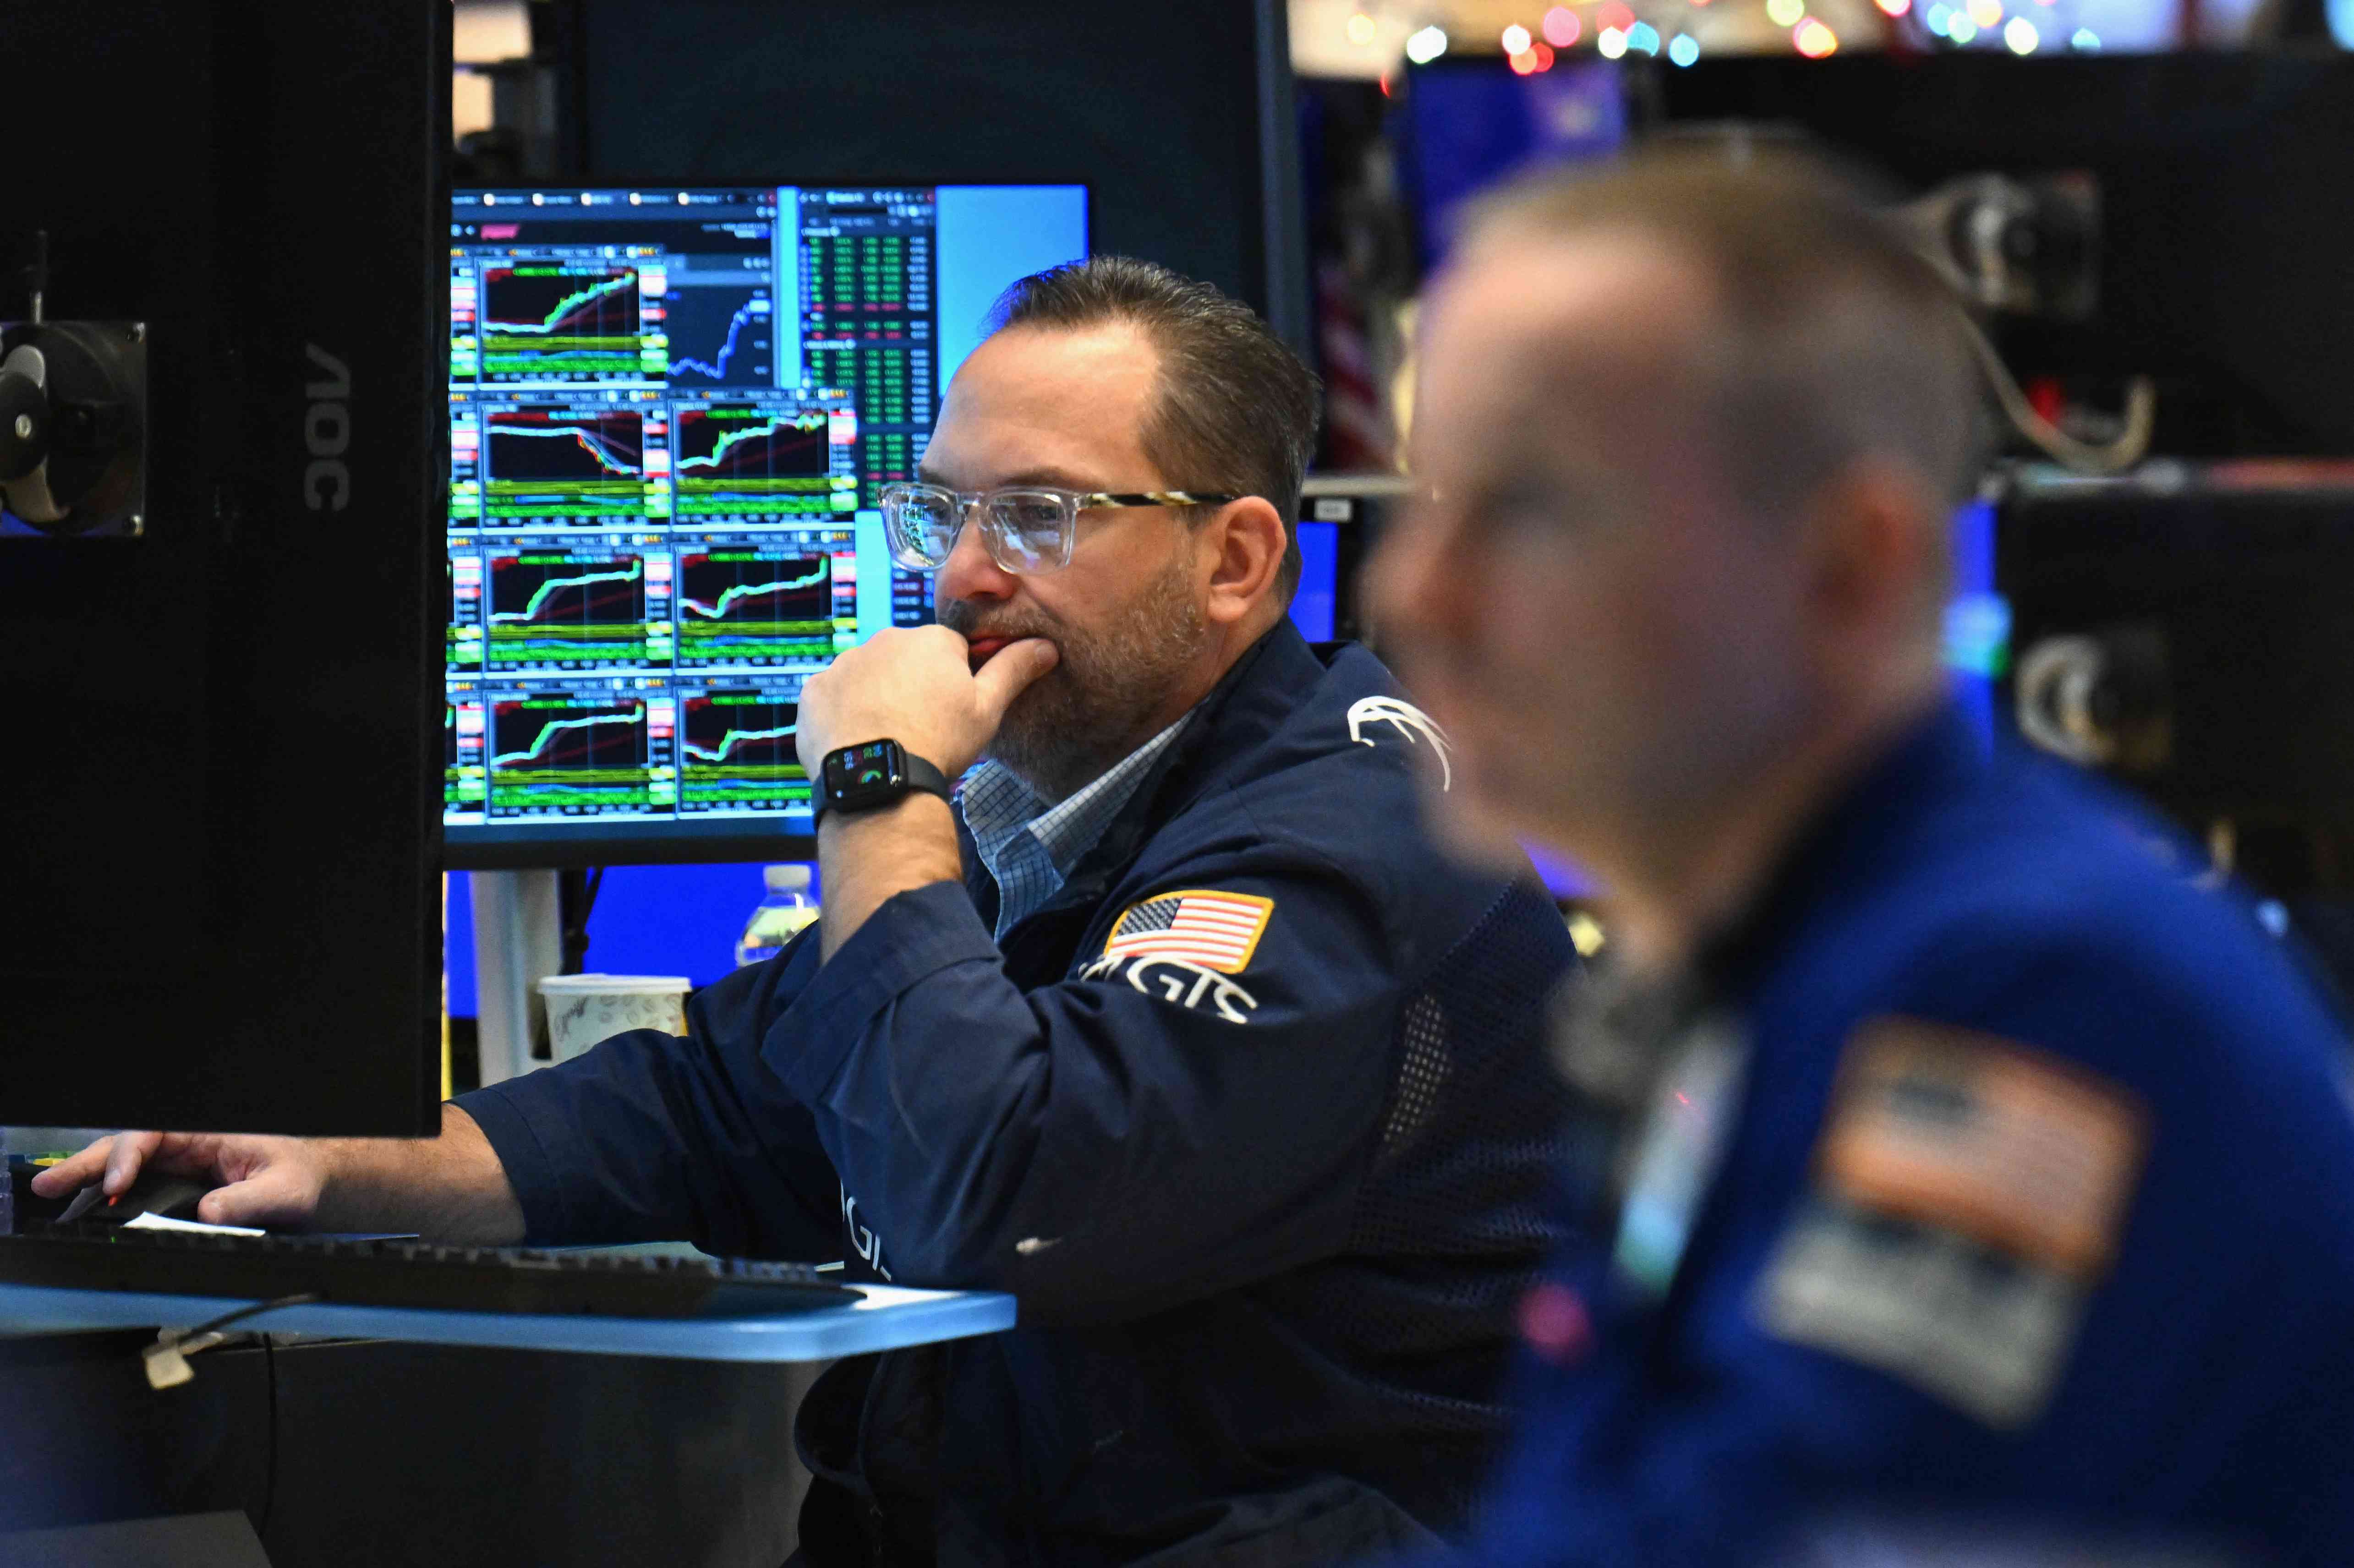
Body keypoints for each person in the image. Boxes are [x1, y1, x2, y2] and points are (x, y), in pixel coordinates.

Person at [39, 257, 1579, 1566]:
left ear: (1234, 559)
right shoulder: (1067, 800)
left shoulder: (1353, 844)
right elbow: (719, 1105)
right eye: (941, 511)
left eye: (1037, 516)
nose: (960, 576)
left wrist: (877, 788)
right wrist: (333, 1163)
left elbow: (992, 1197)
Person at [1365, 147, 2354, 1566]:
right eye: (1424, 500)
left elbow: (1758, 1540)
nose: (1413, 594)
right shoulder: (1755, 965)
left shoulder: (2034, 989)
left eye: (1525, 508)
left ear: (1849, 568)